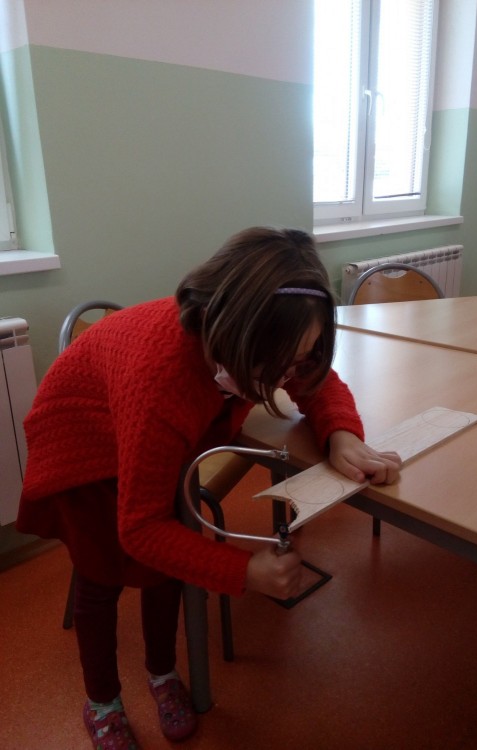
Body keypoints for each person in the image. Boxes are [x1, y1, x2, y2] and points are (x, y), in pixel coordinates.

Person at [17, 227, 402, 749]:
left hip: (144, 434)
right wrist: (243, 572)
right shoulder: (163, 382)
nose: (288, 375)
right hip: (82, 448)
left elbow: (316, 379)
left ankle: (161, 673)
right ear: (230, 333)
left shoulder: (261, 336)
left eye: (300, 356)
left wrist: (340, 433)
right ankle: (102, 701)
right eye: (279, 364)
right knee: (101, 578)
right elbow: (141, 529)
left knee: (162, 571)